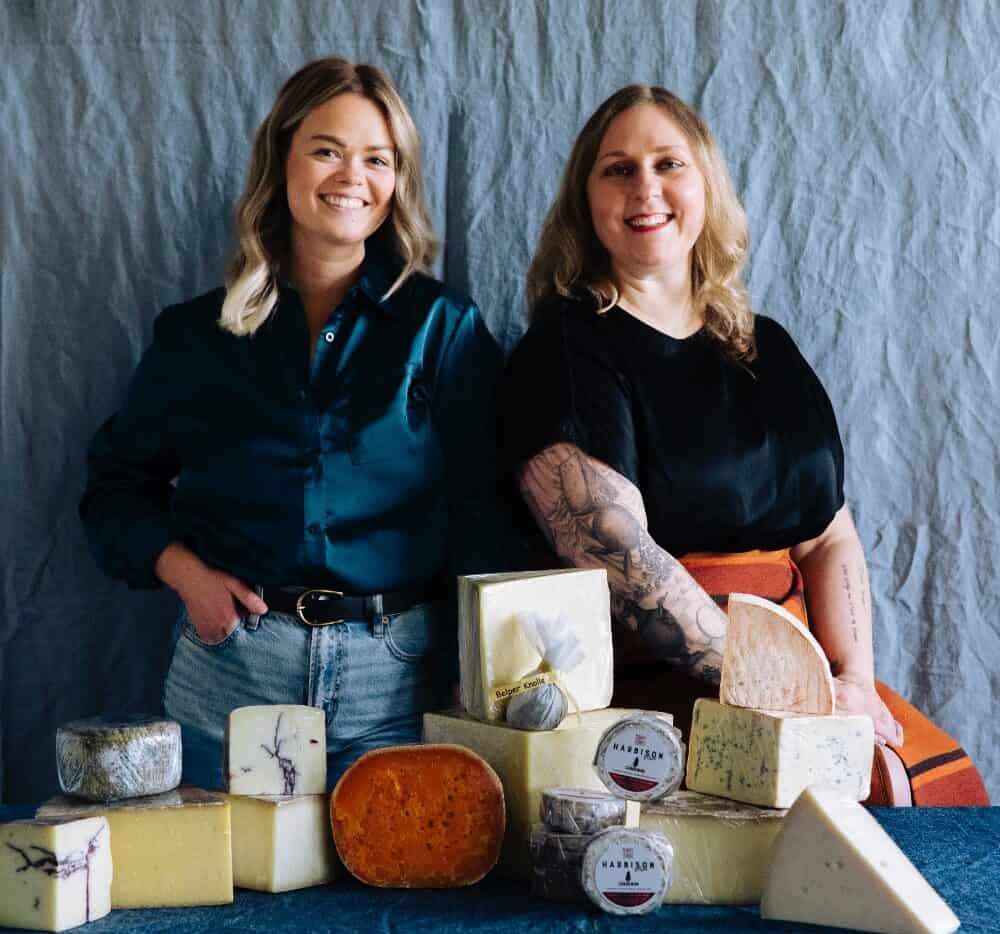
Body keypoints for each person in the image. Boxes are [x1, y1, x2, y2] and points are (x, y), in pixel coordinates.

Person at [501, 85, 988, 806]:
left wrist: (851, 680)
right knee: (810, 826)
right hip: (670, 682)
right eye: (618, 169)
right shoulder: (566, 348)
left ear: (706, 186)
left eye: (669, 164)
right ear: (586, 200)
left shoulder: (766, 346)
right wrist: (792, 691)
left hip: (808, 669)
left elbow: (828, 538)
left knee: (940, 791)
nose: (646, 189)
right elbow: (623, 563)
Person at [80, 57, 505, 790]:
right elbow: (113, 489)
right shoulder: (196, 336)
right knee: (228, 902)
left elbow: (486, 513)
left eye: (377, 158)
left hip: (396, 688)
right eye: (327, 150)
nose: (352, 176)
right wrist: (185, 574)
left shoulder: (442, 327)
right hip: (231, 675)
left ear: (395, 182)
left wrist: (471, 674)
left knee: (394, 902)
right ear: (282, 159)